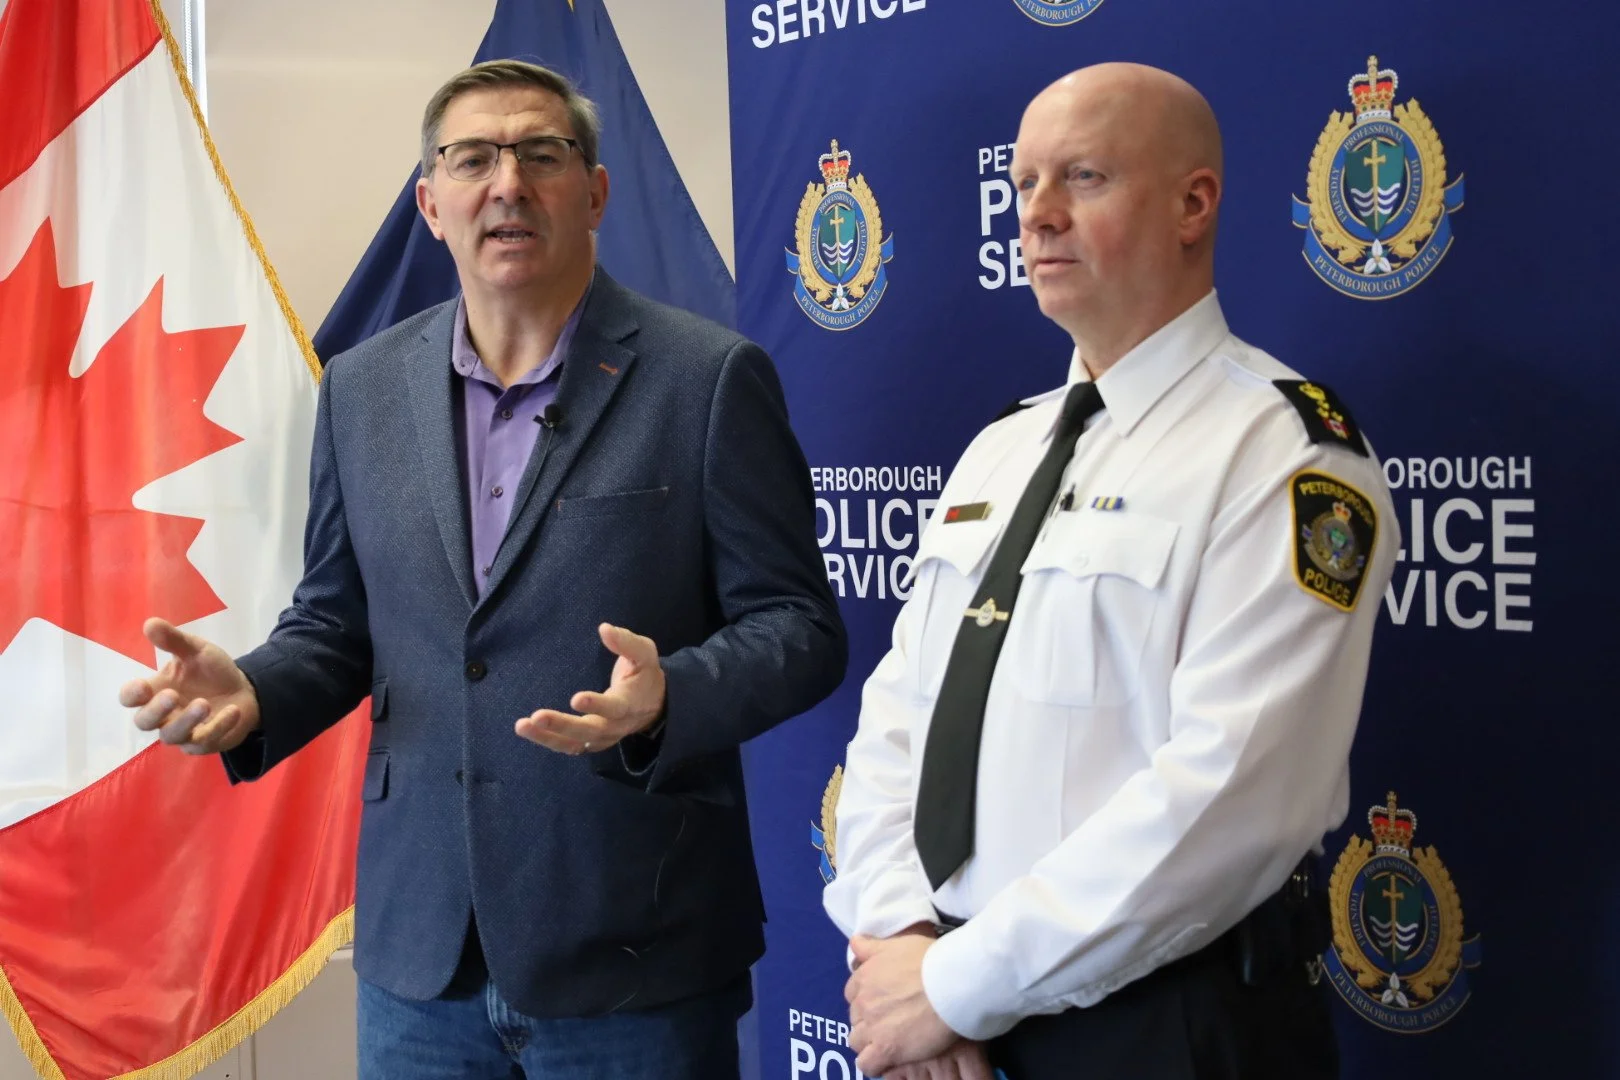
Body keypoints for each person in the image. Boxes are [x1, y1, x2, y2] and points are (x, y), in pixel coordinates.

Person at [118, 60, 846, 1079]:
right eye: (472, 159)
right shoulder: (361, 390)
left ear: (594, 192)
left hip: (633, 949)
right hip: (422, 958)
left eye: (541, 154)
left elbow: (799, 628)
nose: (508, 183)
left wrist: (670, 696)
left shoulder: (708, 378)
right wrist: (252, 690)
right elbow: (335, 623)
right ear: (431, 204)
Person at [824, 62, 1398, 1080]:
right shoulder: (1002, 449)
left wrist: (957, 988)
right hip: (945, 1016)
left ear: (1193, 205)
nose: (1037, 214)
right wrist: (904, 939)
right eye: (1023, 183)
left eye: (1083, 177)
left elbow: (1231, 799)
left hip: (1158, 1026)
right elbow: (901, 716)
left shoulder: (1285, 453)